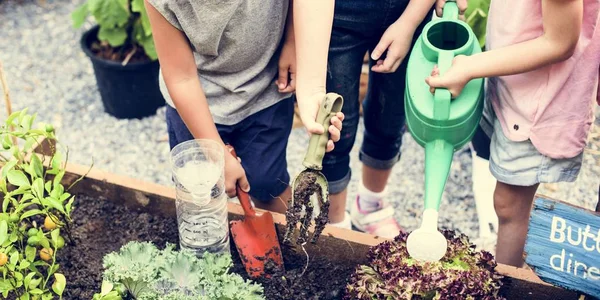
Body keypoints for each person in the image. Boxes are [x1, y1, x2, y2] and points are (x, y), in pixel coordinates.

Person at [426, 0, 600, 267]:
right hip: (508, 72)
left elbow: (560, 42)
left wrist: (470, 68)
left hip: (542, 99)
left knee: (510, 204)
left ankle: (507, 284)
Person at [144, 0, 344, 214]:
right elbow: (181, 78)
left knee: (268, 182)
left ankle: (289, 241)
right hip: (195, 104)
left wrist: (293, 43)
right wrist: (215, 151)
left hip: (266, 92)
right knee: (201, 195)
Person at [293, 0, 466, 238]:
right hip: (338, 15)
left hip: (408, 10)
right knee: (336, 129)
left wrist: (409, 22)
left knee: (390, 115)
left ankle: (370, 205)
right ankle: (335, 223)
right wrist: (310, 84)